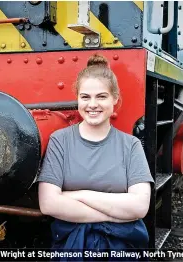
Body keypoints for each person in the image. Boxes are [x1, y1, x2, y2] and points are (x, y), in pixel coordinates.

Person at [37, 54, 154, 260]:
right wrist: (116, 214)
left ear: (115, 99)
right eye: (85, 97)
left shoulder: (131, 145)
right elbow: (48, 204)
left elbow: (140, 207)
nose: (92, 104)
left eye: (101, 96)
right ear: (77, 99)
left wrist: (79, 195)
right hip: (71, 246)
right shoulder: (60, 141)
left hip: (121, 248)